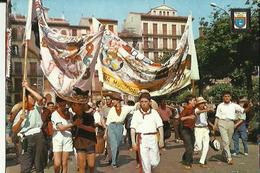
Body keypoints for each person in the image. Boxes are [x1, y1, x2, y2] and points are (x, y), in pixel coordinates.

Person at [12, 80, 46, 173]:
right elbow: (14, 129)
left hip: (38, 136)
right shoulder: (20, 111)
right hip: (26, 139)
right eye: (31, 96)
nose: (34, 98)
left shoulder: (37, 108)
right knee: (26, 167)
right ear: (25, 97)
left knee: (39, 166)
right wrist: (21, 120)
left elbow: (40, 98)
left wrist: (27, 88)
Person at [213, 91, 251, 165]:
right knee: (225, 141)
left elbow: (243, 111)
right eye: (225, 96)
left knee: (228, 142)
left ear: (230, 97)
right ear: (223, 97)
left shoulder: (234, 105)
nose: (227, 98)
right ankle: (229, 158)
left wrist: (249, 106)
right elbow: (217, 116)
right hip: (222, 123)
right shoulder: (220, 105)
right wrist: (215, 125)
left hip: (231, 123)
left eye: (228, 96)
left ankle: (224, 154)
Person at [131, 92, 164, 173]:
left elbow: (160, 126)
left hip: (153, 138)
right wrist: (133, 142)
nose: (144, 104)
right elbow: (132, 129)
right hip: (142, 139)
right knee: (145, 162)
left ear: (150, 102)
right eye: (142, 101)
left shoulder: (154, 113)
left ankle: (149, 167)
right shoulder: (136, 113)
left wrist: (161, 140)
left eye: (146, 101)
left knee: (154, 162)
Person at [104, 92, 136, 168]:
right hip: (111, 127)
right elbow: (108, 123)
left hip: (120, 127)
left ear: (118, 100)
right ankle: (114, 163)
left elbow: (135, 107)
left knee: (117, 145)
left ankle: (114, 158)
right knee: (114, 145)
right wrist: (105, 133)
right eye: (113, 100)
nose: (113, 101)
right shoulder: (112, 109)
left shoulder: (125, 108)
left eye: (114, 100)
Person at [51, 97, 75, 173]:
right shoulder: (55, 114)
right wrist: (72, 124)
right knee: (57, 163)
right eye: (61, 105)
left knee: (64, 163)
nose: (63, 106)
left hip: (67, 138)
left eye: (64, 104)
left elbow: (70, 128)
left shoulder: (70, 114)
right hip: (57, 138)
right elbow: (61, 128)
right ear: (57, 104)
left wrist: (67, 127)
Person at [71, 102, 96, 173]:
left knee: (91, 165)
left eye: (74, 105)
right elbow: (73, 130)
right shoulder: (74, 117)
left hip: (90, 141)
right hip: (79, 142)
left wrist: (81, 126)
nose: (73, 107)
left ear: (80, 106)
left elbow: (93, 129)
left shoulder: (89, 116)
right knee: (82, 166)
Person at [194, 97, 214, 168]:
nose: (202, 104)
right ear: (198, 104)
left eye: (203, 103)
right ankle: (188, 153)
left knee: (206, 146)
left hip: (205, 129)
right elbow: (197, 113)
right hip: (198, 129)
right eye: (201, 103)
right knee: (199, 147)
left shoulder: (205, 110)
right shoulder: (196, 109)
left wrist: (212, 125)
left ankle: (202, 162)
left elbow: (206, 120)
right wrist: (206, 109)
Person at [179, 95, 196, 169]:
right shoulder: (187, 108)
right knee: (189, 147)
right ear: (189, 101)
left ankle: (184, 158)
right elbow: (181, 118)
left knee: (192, 146)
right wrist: (189, 117)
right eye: (194, 100)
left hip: (191, 129)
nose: (195, 101)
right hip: (185, 129)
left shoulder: (192, 108)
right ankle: (187, 163)